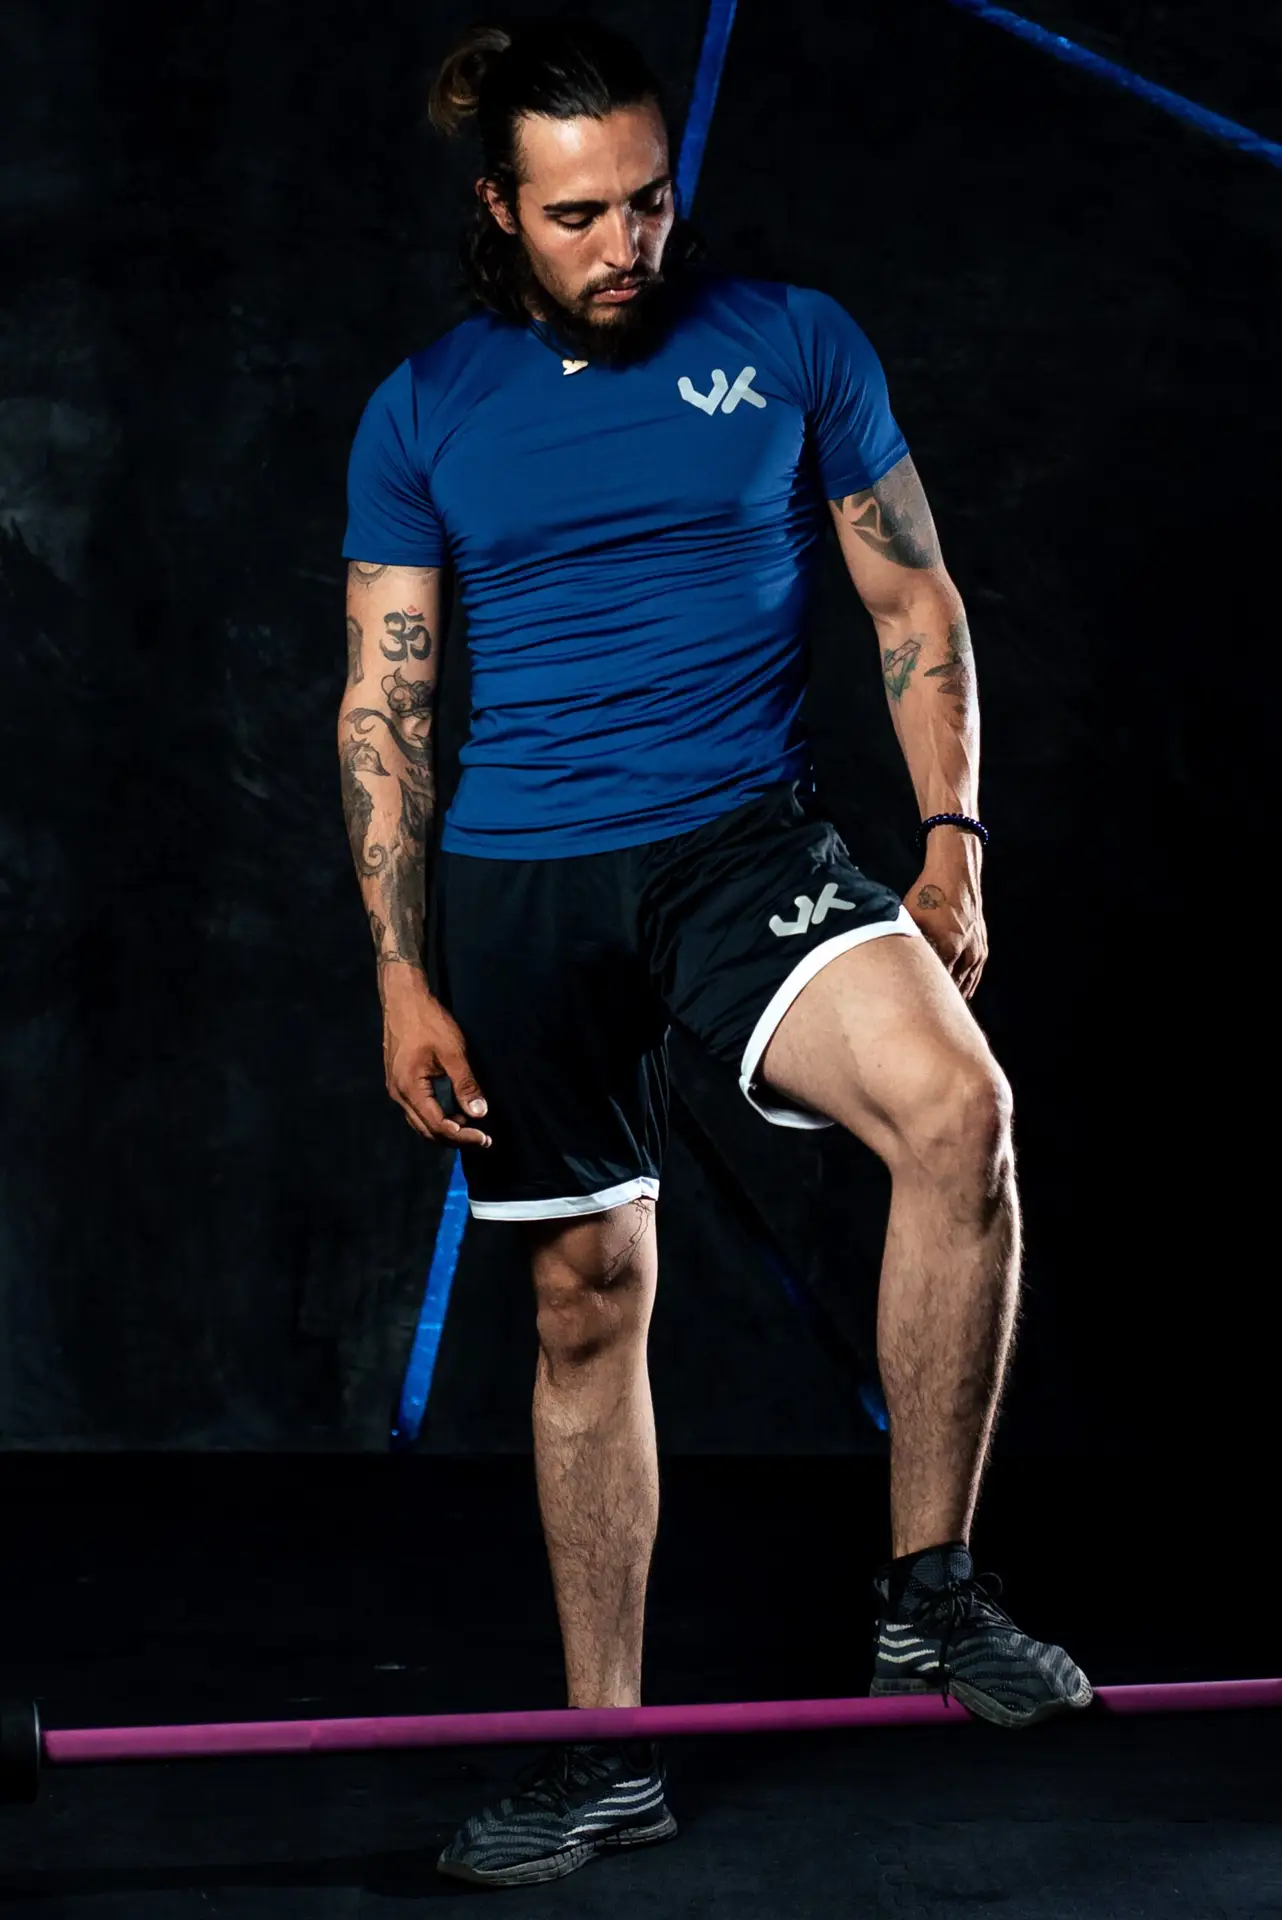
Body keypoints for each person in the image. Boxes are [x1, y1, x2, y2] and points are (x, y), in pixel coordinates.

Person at [338, 15, 1091, 1890]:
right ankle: (605, 1755)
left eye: (647, 202)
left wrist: (951, 841)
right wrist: (400, 969)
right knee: (588, 1297)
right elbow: (386, 708)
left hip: (740, 851)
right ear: (500, 212)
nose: (624, 245)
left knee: (957, 1114)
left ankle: (928, 1590)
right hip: (522, 884)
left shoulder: (794, 343)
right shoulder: (423, 409)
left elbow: (909, 596)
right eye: (577, 214)